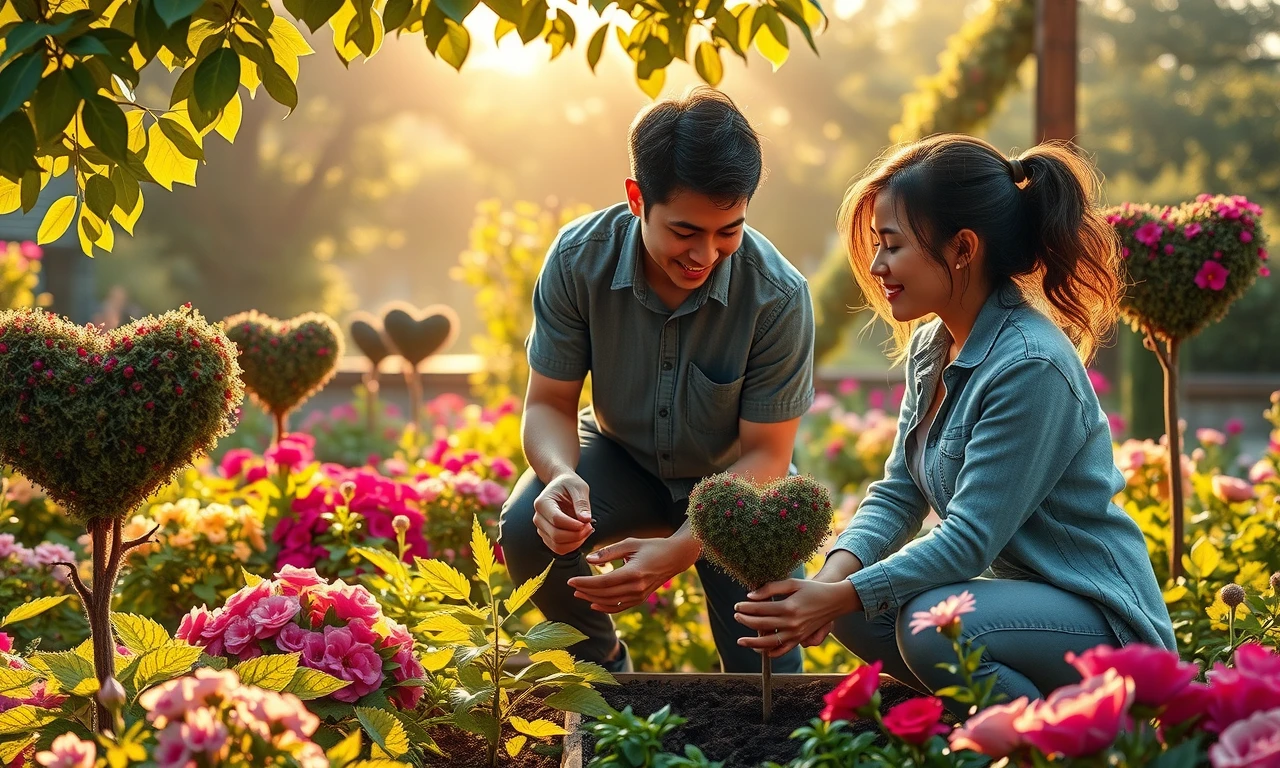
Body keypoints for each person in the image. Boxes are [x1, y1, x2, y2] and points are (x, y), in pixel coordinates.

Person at [733, 135, 1177, 715]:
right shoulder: (932, 345)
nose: (875, 266)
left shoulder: (1029, 365)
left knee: (929, 626)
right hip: (1026, 613)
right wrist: (827, 584)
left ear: (963, 248)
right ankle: (975, 724)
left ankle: (1067, 742)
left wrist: (836, 596)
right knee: (863, 620)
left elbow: (968, 541)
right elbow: (899, 492)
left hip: (1102, 620)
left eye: (891, 245)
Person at [498, 87, 816, 675]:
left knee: (767, 675)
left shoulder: (778, 295)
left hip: (737, 485)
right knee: (525, 527)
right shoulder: (577, 260)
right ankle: (603, 672)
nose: (705, 254)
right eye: (685, 231)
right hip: (620, 456)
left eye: (729, 231)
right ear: (636, 197)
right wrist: (561, 475)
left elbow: (768, 457)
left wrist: (674, 552)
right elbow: (548, 403)